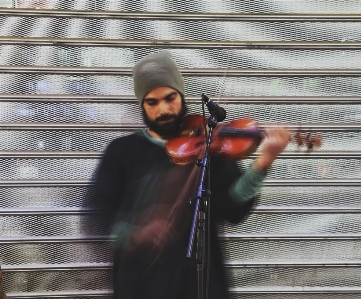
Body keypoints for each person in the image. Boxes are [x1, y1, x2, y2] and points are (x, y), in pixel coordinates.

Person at [87, 51, 290, 298]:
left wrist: (262, 164)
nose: (163, 109)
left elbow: (233, 207)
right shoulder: (121, 152)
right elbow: (98, 218)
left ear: (181, 96)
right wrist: (136, 234)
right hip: (140, 285)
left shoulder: (209, 144)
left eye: (170, 98)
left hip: (201, 283)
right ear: (142, 105)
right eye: (152, 102)